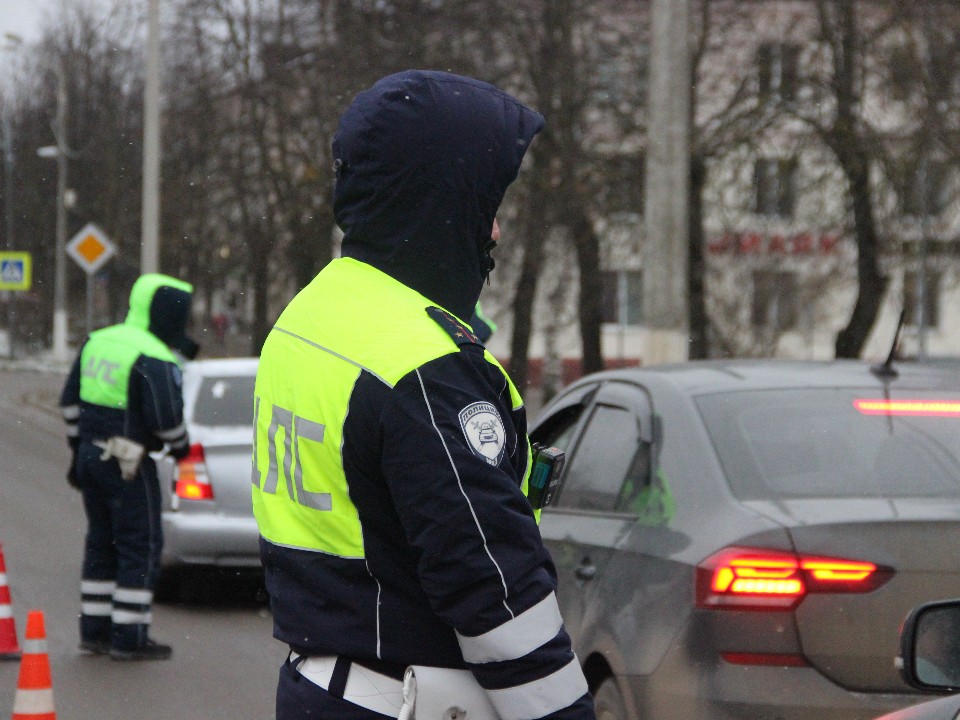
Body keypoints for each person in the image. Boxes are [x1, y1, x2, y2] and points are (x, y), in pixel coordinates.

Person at [252, 70, 595, 720]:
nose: (493, 233)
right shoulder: (423, 362)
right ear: (442, 200)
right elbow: (494, 593)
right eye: (485, 203)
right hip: (407, 702)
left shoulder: (310, 317)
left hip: (318, 687)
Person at [59, 273, 199, 661]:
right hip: (128, 461)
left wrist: (78, 448)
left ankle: (95, 631)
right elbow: (165, 419)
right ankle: (129, 636)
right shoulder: (152, 354)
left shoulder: (98, 340)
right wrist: (181, 447)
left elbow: (69, 402)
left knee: (102, 543)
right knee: (141, 544)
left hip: (90, 455)